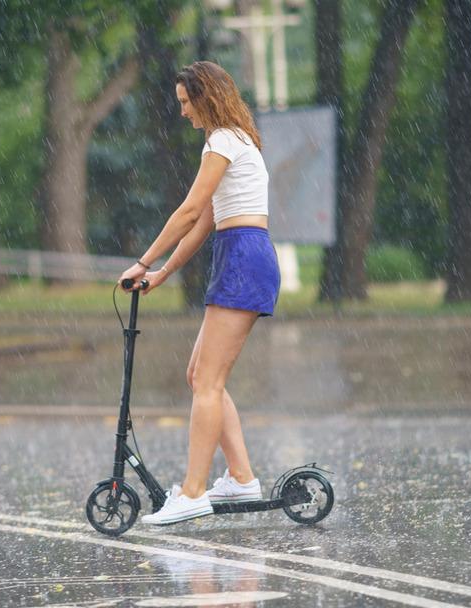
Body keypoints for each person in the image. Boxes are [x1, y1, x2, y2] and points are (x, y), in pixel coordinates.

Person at [118, 60, 280, 525]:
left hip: (245, 257)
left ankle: (192, 492)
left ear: (206, 97)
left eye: (187, 102)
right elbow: (207, 218)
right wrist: (164, 273)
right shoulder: (230, 141)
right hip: (237, 254)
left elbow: (189, 211)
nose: (184, 112)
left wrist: (144, 260)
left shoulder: (225, 140)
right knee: (199, 377)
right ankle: (241, 478)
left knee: (207, 380)